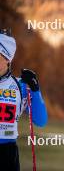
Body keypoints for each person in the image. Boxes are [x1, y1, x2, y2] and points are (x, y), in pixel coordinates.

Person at [0, 29, 48, 171]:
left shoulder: (20, 86)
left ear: (7, 59)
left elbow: (41, 121)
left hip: (7, 153)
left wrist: (35, 90)